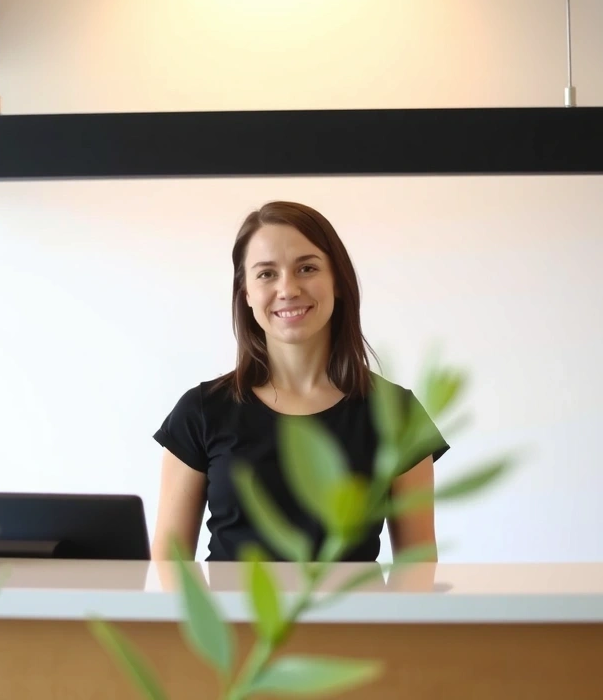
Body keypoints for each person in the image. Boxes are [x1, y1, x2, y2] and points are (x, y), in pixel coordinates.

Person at [151, 200, 448, 562]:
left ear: (337, 281)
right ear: (245, 292)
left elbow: (417, 568)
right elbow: (169, 570)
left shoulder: (397, 412)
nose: (288, 288)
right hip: (227, 620)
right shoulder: (200, 412)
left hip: (351, 620)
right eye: (266, 274)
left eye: (306, 268)